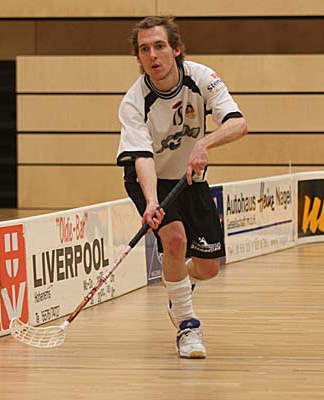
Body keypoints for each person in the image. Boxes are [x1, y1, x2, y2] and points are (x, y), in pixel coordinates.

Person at [116, 16, 248, 359]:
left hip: (191, 177)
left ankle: (179, 287)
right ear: (138, 57)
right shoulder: (134, 102)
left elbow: (238, 124)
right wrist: (151, 201)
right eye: (144, 49)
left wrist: (205, 143)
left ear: (175, 49)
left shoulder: (201, 78)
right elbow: (142, 157)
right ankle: (188, 327)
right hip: (149, 177)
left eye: (159, 46)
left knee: (208, 268)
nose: (153, 55)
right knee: (174, 241)